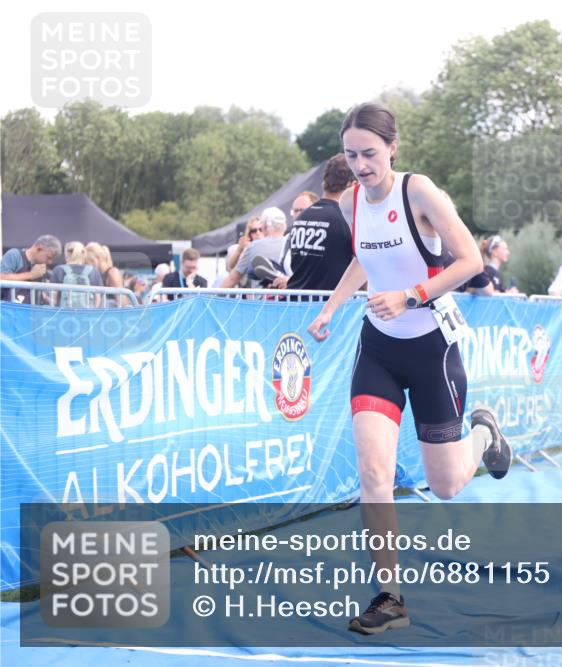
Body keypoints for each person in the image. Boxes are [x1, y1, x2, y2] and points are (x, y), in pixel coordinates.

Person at [305, 102, 511, 635]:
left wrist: (411, 296)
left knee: (445, 486)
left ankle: (482, 435)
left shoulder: (419, 192)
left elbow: (470, 262)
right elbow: (363, 260)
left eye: (369, 154)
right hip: (378, 350)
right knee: (374, 473)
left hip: (432, 349)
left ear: (392, 147)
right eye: (351, 155)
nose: (360, 165)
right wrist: (331, 307)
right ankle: (390, 596)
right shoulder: (352, 200)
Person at [269, 155, 355, 293]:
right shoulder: (345, 219)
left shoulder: (303, 216)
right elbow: (360, 269)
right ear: (352, 184)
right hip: (330, 308)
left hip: (298, 304)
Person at [218, 207, 287, 288]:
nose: (258, 233)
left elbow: (232, 279)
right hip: (292, 298)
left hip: (260, 299)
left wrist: (213, 298)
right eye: (254, 230)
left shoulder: (254, 246)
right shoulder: (292, 244)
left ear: (264, 226)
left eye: (260, 229)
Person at [1, 234, 62, 302]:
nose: (50, 262)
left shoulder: (40, 268)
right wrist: (31, 275)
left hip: (29, 311)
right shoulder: (15, 255)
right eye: (48, 257)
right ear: (39, 248)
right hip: (8, 310)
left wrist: (48, 300)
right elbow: (1, 278)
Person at [50, 241, 103, 307]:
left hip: (65, 314)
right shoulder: (93, 271)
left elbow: (53, 300)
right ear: (84, 254)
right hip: (86, 314)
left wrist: (44, 297)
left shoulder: (58, 270)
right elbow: (98, 299)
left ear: (67, 254)